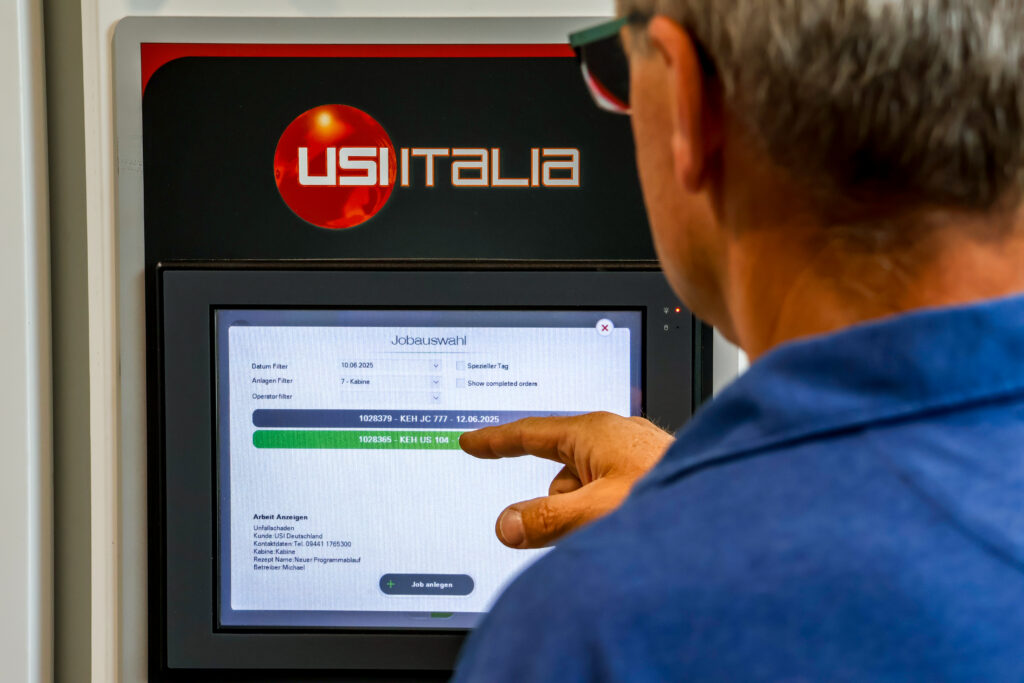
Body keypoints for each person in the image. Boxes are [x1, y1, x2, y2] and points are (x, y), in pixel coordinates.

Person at [452, 1, 1024, 681]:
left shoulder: (597, 629)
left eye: (618, 75)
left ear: (688, 102)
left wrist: (692, 530)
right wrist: (710, 496)